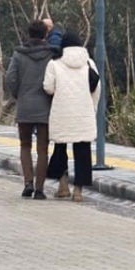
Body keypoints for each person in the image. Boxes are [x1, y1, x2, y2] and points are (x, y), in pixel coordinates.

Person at [44, 31, 100, 202]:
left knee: (60, 149)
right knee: (82, 152)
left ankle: (62, 186)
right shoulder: (89, 63)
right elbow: (97, 88)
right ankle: (78, 191)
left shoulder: (54, 63)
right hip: (83, 112)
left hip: (62, 111)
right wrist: (93, 108)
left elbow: (48, 88)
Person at [4, 19, 54, 199]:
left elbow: (10, 78)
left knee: (25, 145)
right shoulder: (51, 54)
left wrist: (20, 95)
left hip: (24, 105)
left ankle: (28, 183)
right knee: (43, 149)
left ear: (28, 34)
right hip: (45, 107)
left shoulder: (18, 54)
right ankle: (40, 189)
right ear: (45, 34)